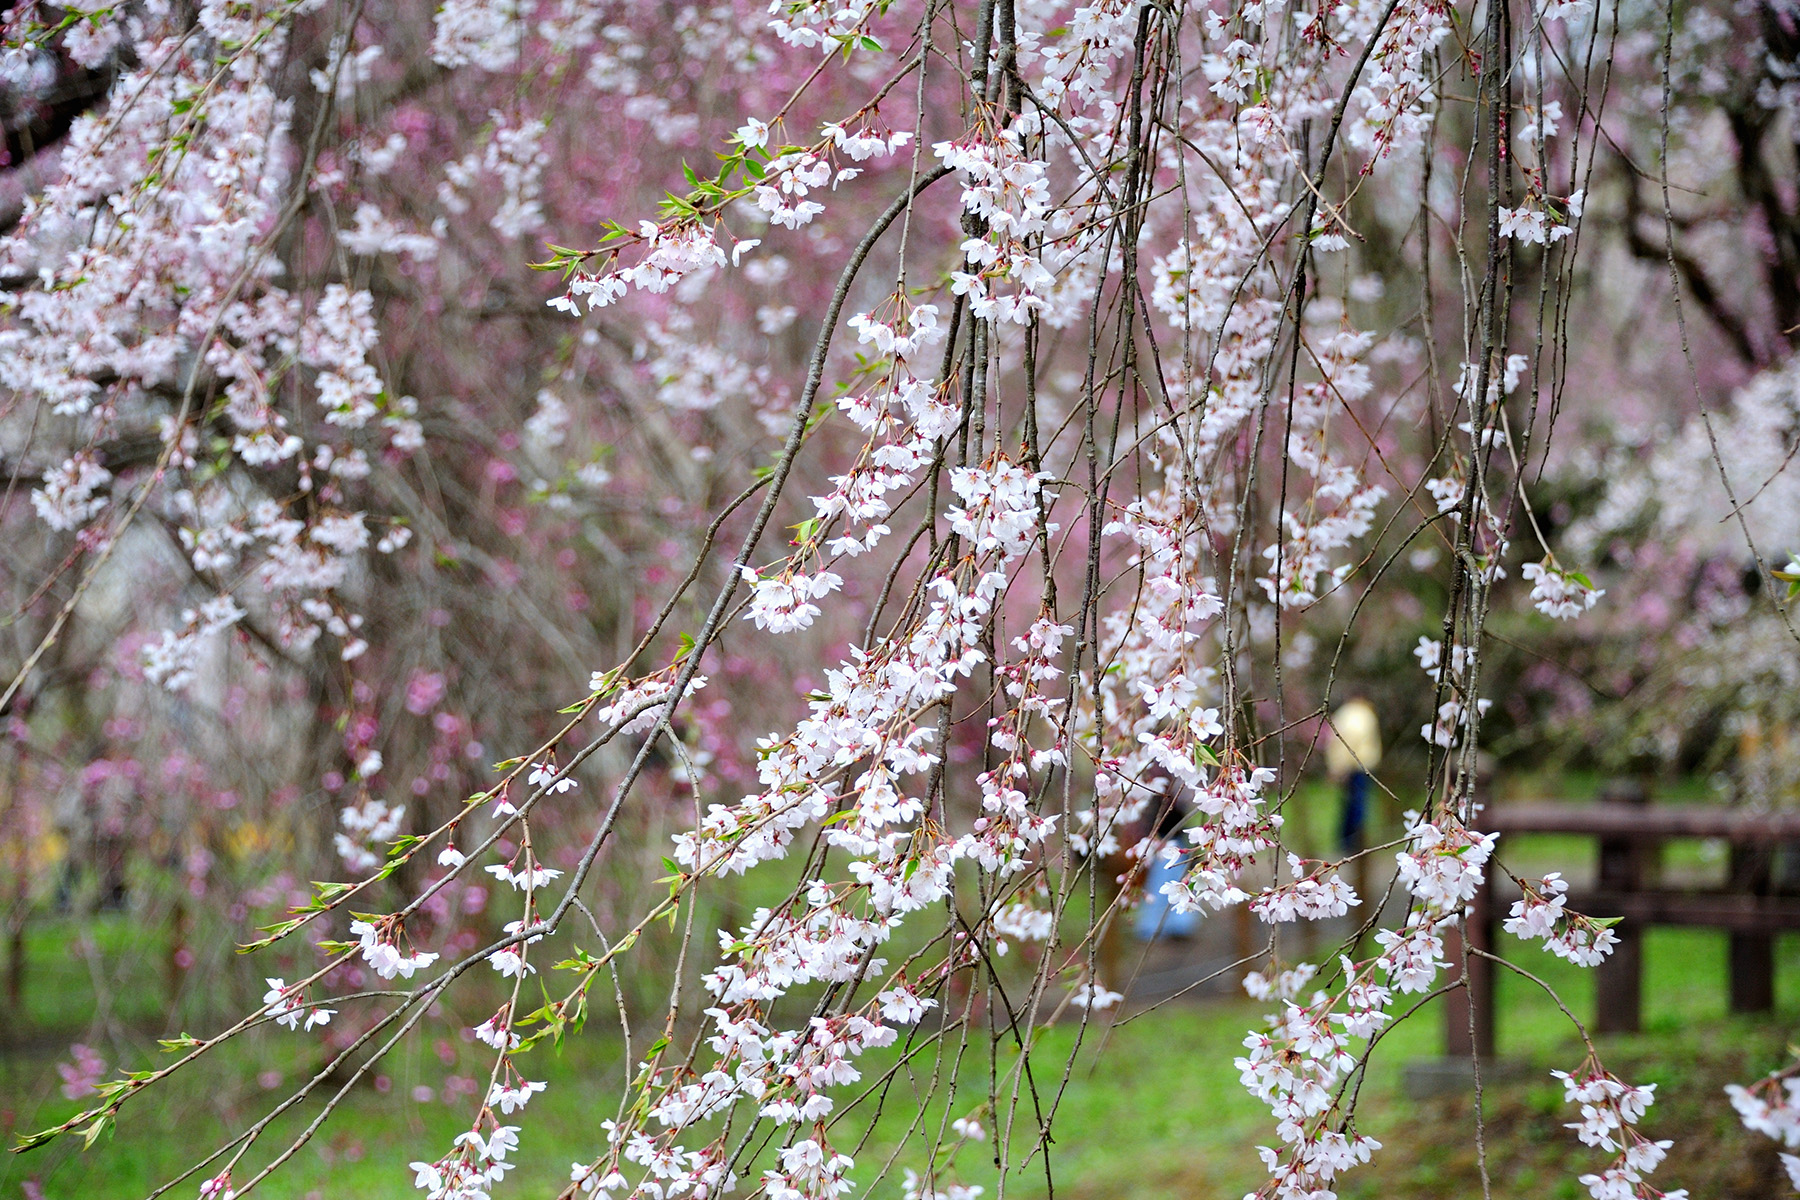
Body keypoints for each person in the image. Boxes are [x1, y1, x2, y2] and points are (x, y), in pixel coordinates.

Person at [1325, 697, 1382, 854]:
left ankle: (1346, 842)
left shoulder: (1344, 713)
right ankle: (1352, 843)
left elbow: (1335, 742)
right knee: (1357, 805)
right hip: (1358, 766)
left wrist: (1336, 766)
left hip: (1351, 766)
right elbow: (1350, 740)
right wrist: (1341, 766)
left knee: (1348, 805)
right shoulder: (1362, 715)